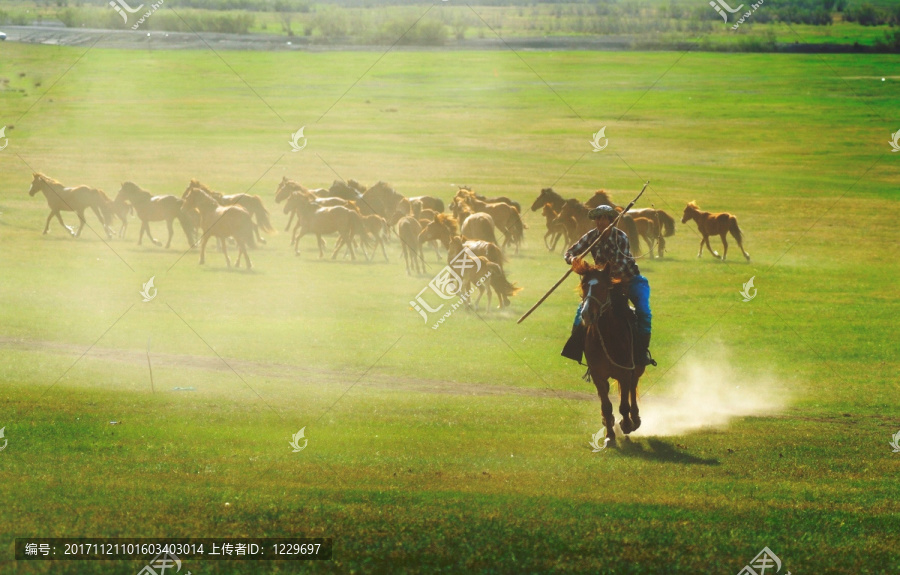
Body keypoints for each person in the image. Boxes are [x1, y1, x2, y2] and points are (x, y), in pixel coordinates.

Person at [561, 205, 656, 367]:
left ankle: (641, 354)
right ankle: (577, 349)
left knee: (644, 313)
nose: (600, 222)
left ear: (611, 221)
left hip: (629, 280)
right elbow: (570, 252)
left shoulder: (621, 237)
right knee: (582, 313)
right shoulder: (591, 236)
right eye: (598, 218)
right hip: (603, 282)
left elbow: (618, 266)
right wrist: (572, 260)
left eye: (604, 218)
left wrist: (599, 276)